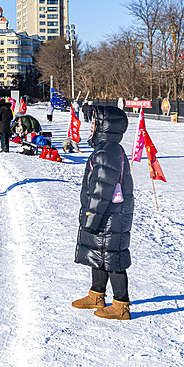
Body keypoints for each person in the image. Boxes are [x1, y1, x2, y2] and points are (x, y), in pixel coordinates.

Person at [72, 105, 133, 320]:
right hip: (108, 214)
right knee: (99, 254)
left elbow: (101, 190)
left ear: (104, 126)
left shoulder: (107, 152)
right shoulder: (108, 148)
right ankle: (97, 294)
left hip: (110, 215)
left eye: (95, 122)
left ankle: (121, 305)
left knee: (113, 258)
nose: (92, 125)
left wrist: (91, 217)